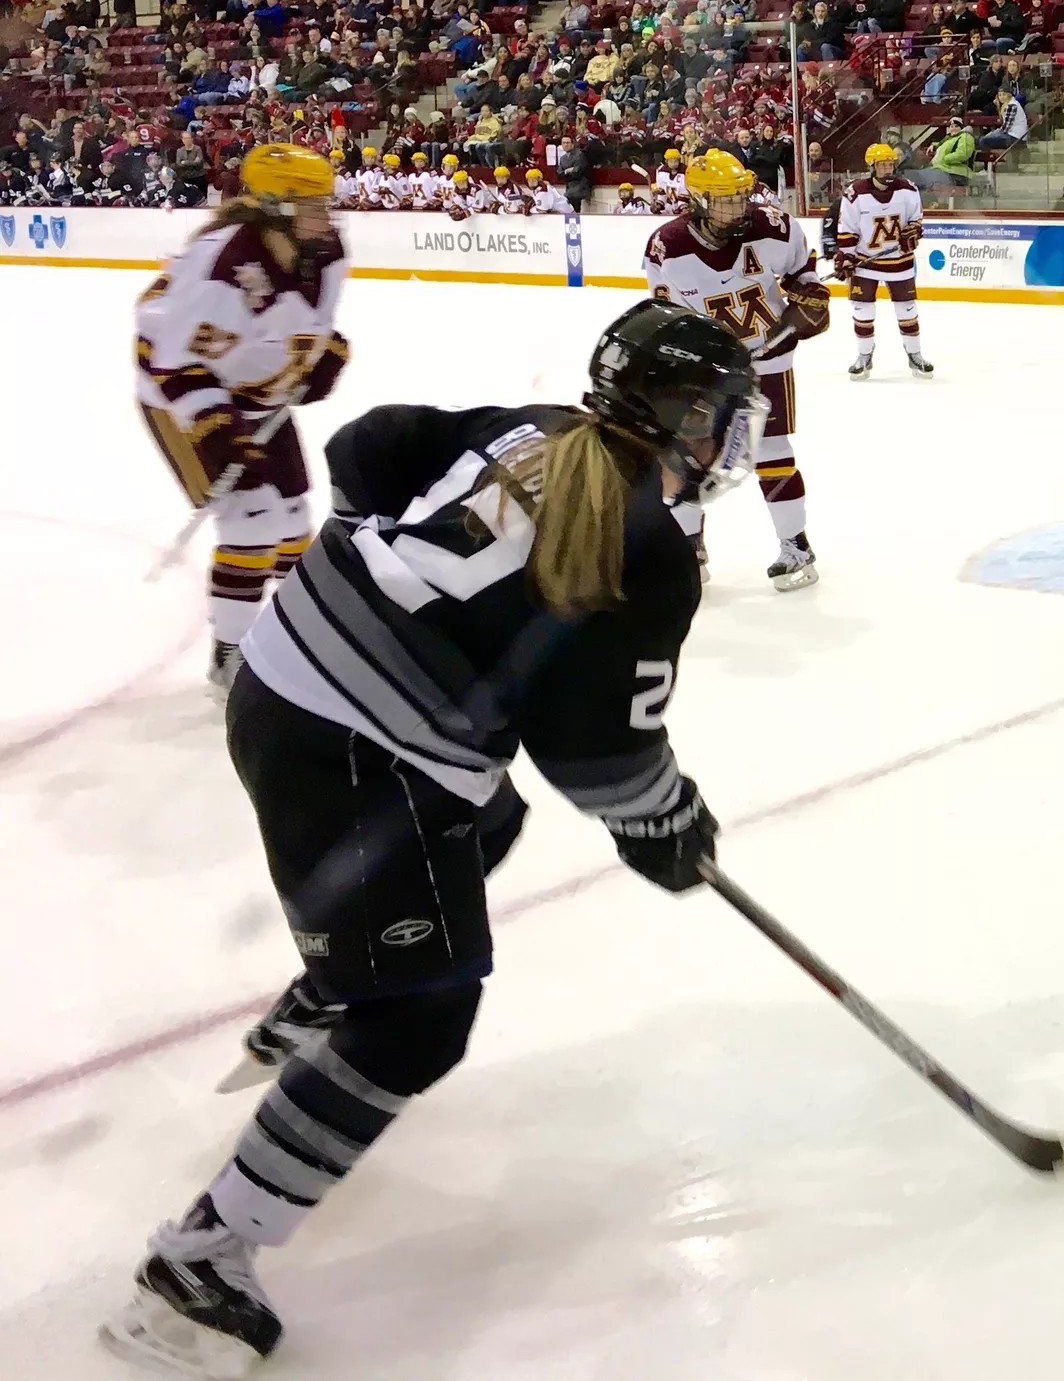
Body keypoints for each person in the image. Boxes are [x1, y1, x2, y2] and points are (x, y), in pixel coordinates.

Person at [100, 302, 754, 1378]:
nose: (722, 437)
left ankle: (326, 985)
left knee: (484, 810)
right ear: (685, 415)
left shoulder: (535, 424)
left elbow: (370, 445)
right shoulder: (649, 548)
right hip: (352, 750)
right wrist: (665, 822)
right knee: (420, 1015)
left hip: (283, 665)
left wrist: (402, 586)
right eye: (717, 415)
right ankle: (197, 1268)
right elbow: (594, 747)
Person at [133, 144, 348, 691]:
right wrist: (220, 431)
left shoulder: (324, 251)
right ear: (275, 207)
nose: (329, 215)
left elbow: (312, 319)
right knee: (252, 521)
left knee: (295, 517)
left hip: (256, 390)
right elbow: (173, 366)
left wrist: (321, 354)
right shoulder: (219, 268)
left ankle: (302, 631)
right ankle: (230, 654)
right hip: (183, 396)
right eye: (313, 204)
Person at [643, 147, 829, 586]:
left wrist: (809, 299)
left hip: (769, 361)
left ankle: (796, 547)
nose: (739, 206)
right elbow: (667, 316)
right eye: (727, 199)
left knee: (773, 453)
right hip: (707, 370)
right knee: (685, 457)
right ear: (700, 200)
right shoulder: (667, 246)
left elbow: (805, 275)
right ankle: (690, 550)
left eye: (742, 195)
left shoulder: (776, 228)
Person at [831, 143, 929, 380]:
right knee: (862, 310)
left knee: (907, 309)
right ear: (872, 167)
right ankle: (864, 355)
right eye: (882, 165)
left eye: (890, 164)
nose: (888, 169)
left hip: (900, 261)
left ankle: (914, 354)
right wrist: (846, 256)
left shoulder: (908, 189)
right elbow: (848, 229)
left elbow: (917, 220)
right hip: (866, 263)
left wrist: (912, 233)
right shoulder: (855, 193)